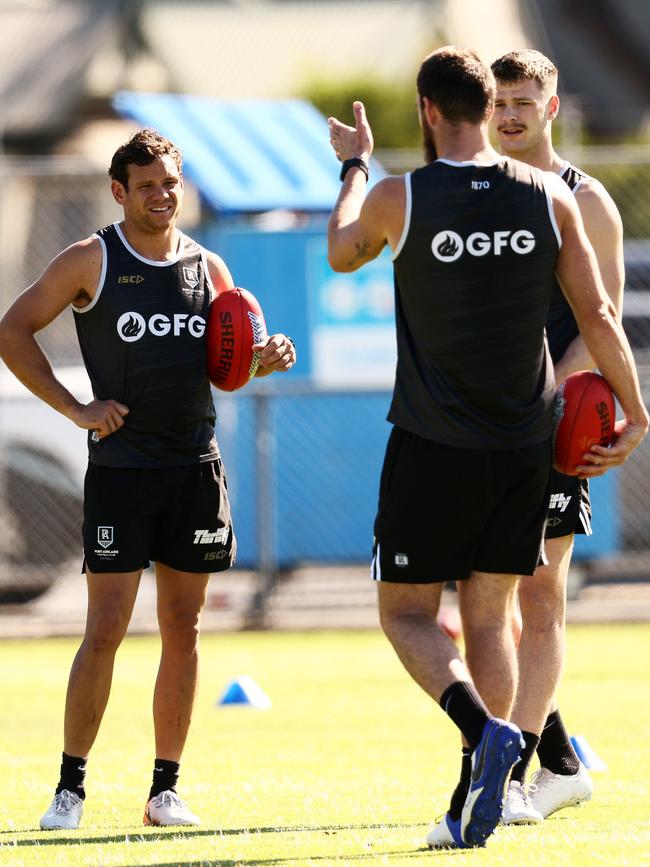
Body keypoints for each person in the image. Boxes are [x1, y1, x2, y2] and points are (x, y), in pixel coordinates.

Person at [326, 46, 647, 849]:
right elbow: (603, 318)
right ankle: (491, 784)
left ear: (428, 112)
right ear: (485, 106)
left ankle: (490, 737)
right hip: (526, 443)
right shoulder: (547, 197)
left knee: (407, 613)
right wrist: (638, 413)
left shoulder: (402, 195)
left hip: (436, 442)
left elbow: (339, 248)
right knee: (493, 618)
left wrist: (356, 168)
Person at [0, 129, 296, 830]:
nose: (163, 195)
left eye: (171, 182)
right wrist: (76, 407)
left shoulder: (208, 268)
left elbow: (233, 357)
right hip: (122, 471)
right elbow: (12, 330)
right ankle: (69, 788)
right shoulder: (91, 260)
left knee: (184, 628)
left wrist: (266, 358)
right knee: (103, 627)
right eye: (148, 185)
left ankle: (166, 789)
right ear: (119, 192)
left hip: (193, 465)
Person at [489, 48, 625, 825]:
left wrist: (545, 398)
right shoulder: (479, 191)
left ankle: (509, 776)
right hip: (479, 425)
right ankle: (561, 761)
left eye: (523, 100)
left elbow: (597, 323)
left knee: (539, 598)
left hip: (547, 421)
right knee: (488, 598)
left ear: (553, 106)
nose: (509, 113)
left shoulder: (586, 198)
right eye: (499, 101)